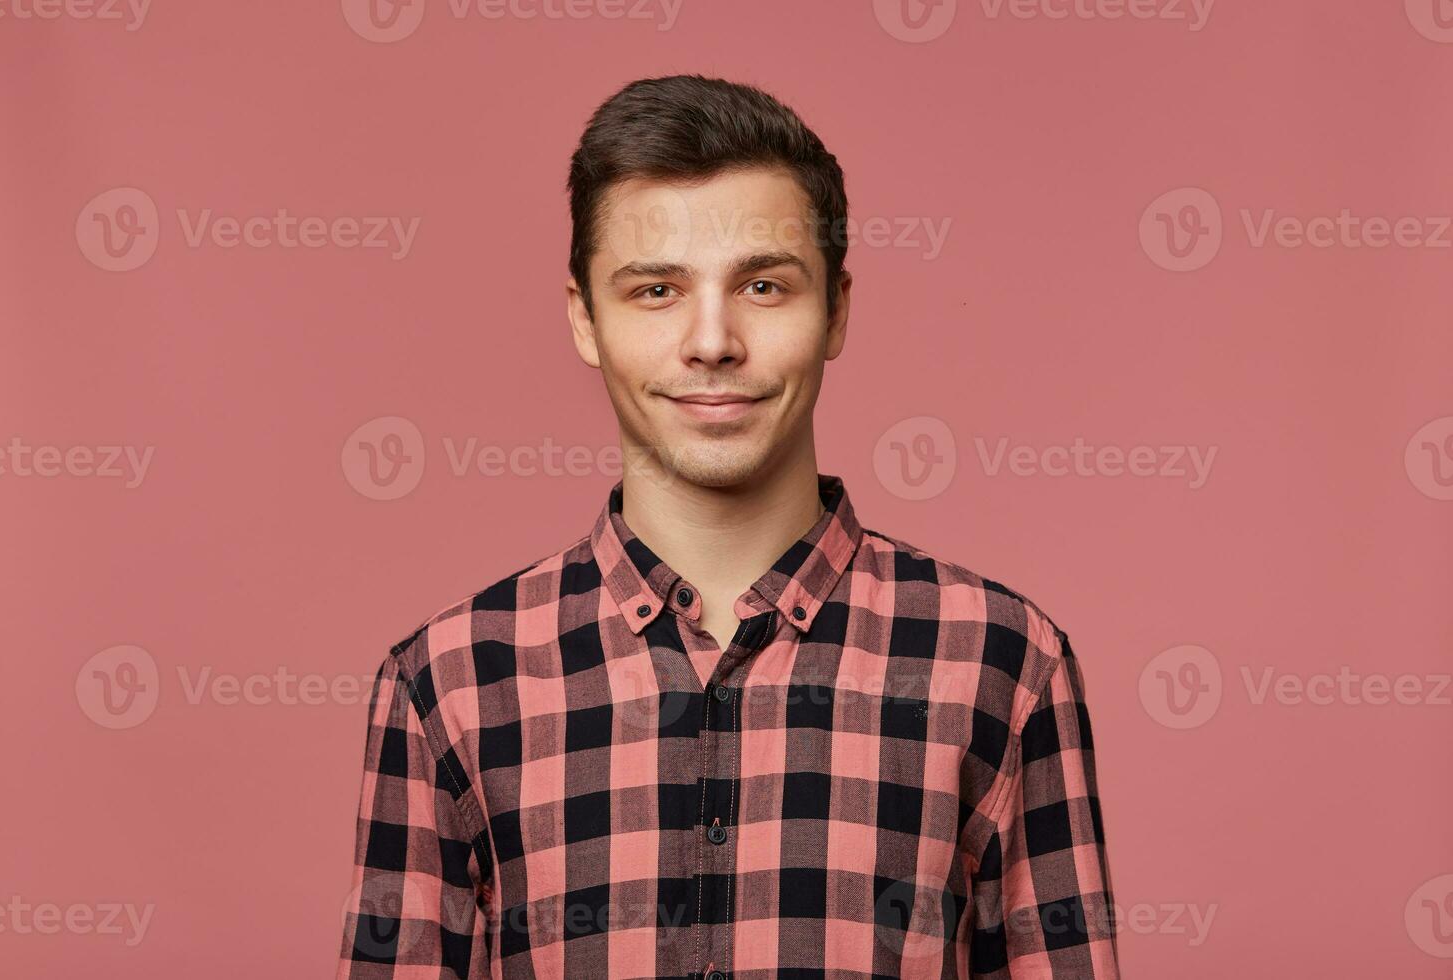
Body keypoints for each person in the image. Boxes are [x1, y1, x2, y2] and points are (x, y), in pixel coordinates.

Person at [336, 73, 1118, 979]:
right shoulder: (449, 684)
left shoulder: (1003, 661)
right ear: (585, 320)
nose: (713, 341)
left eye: (763, 285)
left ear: (837, 311)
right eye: (657, 290)